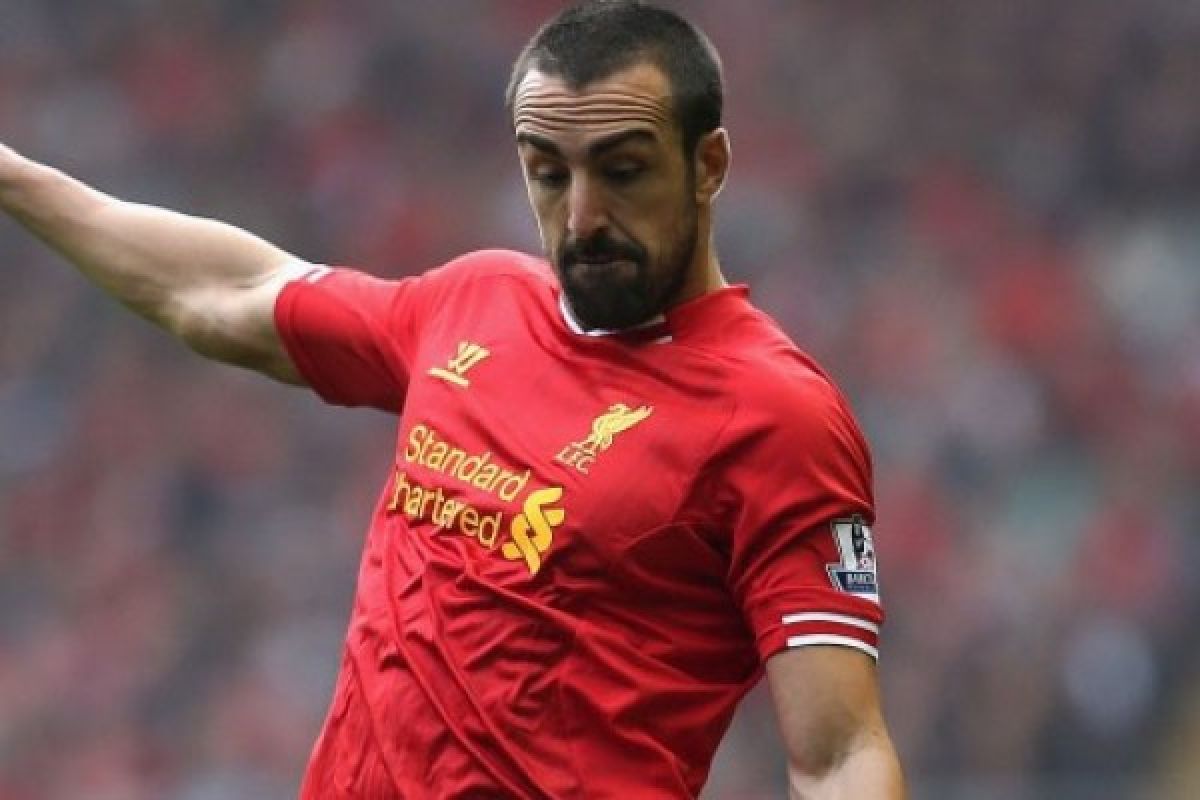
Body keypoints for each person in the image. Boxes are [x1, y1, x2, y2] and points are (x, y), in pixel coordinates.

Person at [0, 1, 905, 797]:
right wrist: (12, 176)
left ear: (709, 164)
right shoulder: (475, 303)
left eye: (623, 171)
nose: (582, 217)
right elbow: (228, 293)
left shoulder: (776, 416)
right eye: (548, 173)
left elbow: (839, 755)